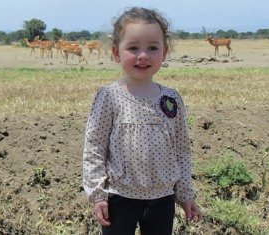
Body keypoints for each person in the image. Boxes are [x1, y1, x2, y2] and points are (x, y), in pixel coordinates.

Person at [82, 7, 202, 235]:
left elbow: (182, 149)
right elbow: (94, 147)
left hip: (163, 200)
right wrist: (98, 195)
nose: (143, 55)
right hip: (119, 199)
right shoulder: (109, 96)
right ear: (117, 52)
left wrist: (185, 194)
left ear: (164, 52)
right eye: (133, 48)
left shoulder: (171, 99)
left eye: (152, 48)